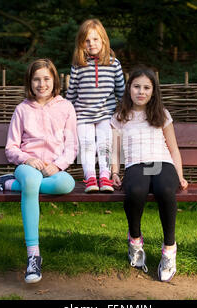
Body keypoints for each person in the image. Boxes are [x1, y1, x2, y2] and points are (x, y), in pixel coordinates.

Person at [0, 58, 78, 284]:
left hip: (52, 170)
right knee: (31, 180)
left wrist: (58, 165)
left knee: (67, 184)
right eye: (36, 80)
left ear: (55, 81)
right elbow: (11, 148)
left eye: (46, 79)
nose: (42, 84)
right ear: (29, 83)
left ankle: (6, 183)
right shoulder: (22, 110)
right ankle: (33, 257)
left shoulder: (66, 107)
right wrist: (27, 159)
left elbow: (72, 146)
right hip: (27, 168)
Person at [110, 66, 189, 282]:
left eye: (146, 87)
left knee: (165, 189)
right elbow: (115, 150)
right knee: (136, 190)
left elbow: (173, 149)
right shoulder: (120, 116)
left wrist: (180, 175)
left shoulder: (161, 115)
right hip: (137, 164)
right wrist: (115, 171)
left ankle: (169, 249)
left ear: (153, 91)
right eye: (136, 86)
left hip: (162, 163)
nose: (141, 91)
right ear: (129, 88)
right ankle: (135, 240)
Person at [66, 18, 125, 193]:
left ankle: (105, 177)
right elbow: (72, 93)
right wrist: (66, 114)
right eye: (87, 40)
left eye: (96, 39)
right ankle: (90, 177)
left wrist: (122, 112)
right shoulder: (78, 66)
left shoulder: (114, 64)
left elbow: (121, 92)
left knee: (104, 145)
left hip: (105, 115)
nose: (92, 44)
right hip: (83, 115)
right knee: (87, 145)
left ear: (104, 40)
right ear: (81, 44)